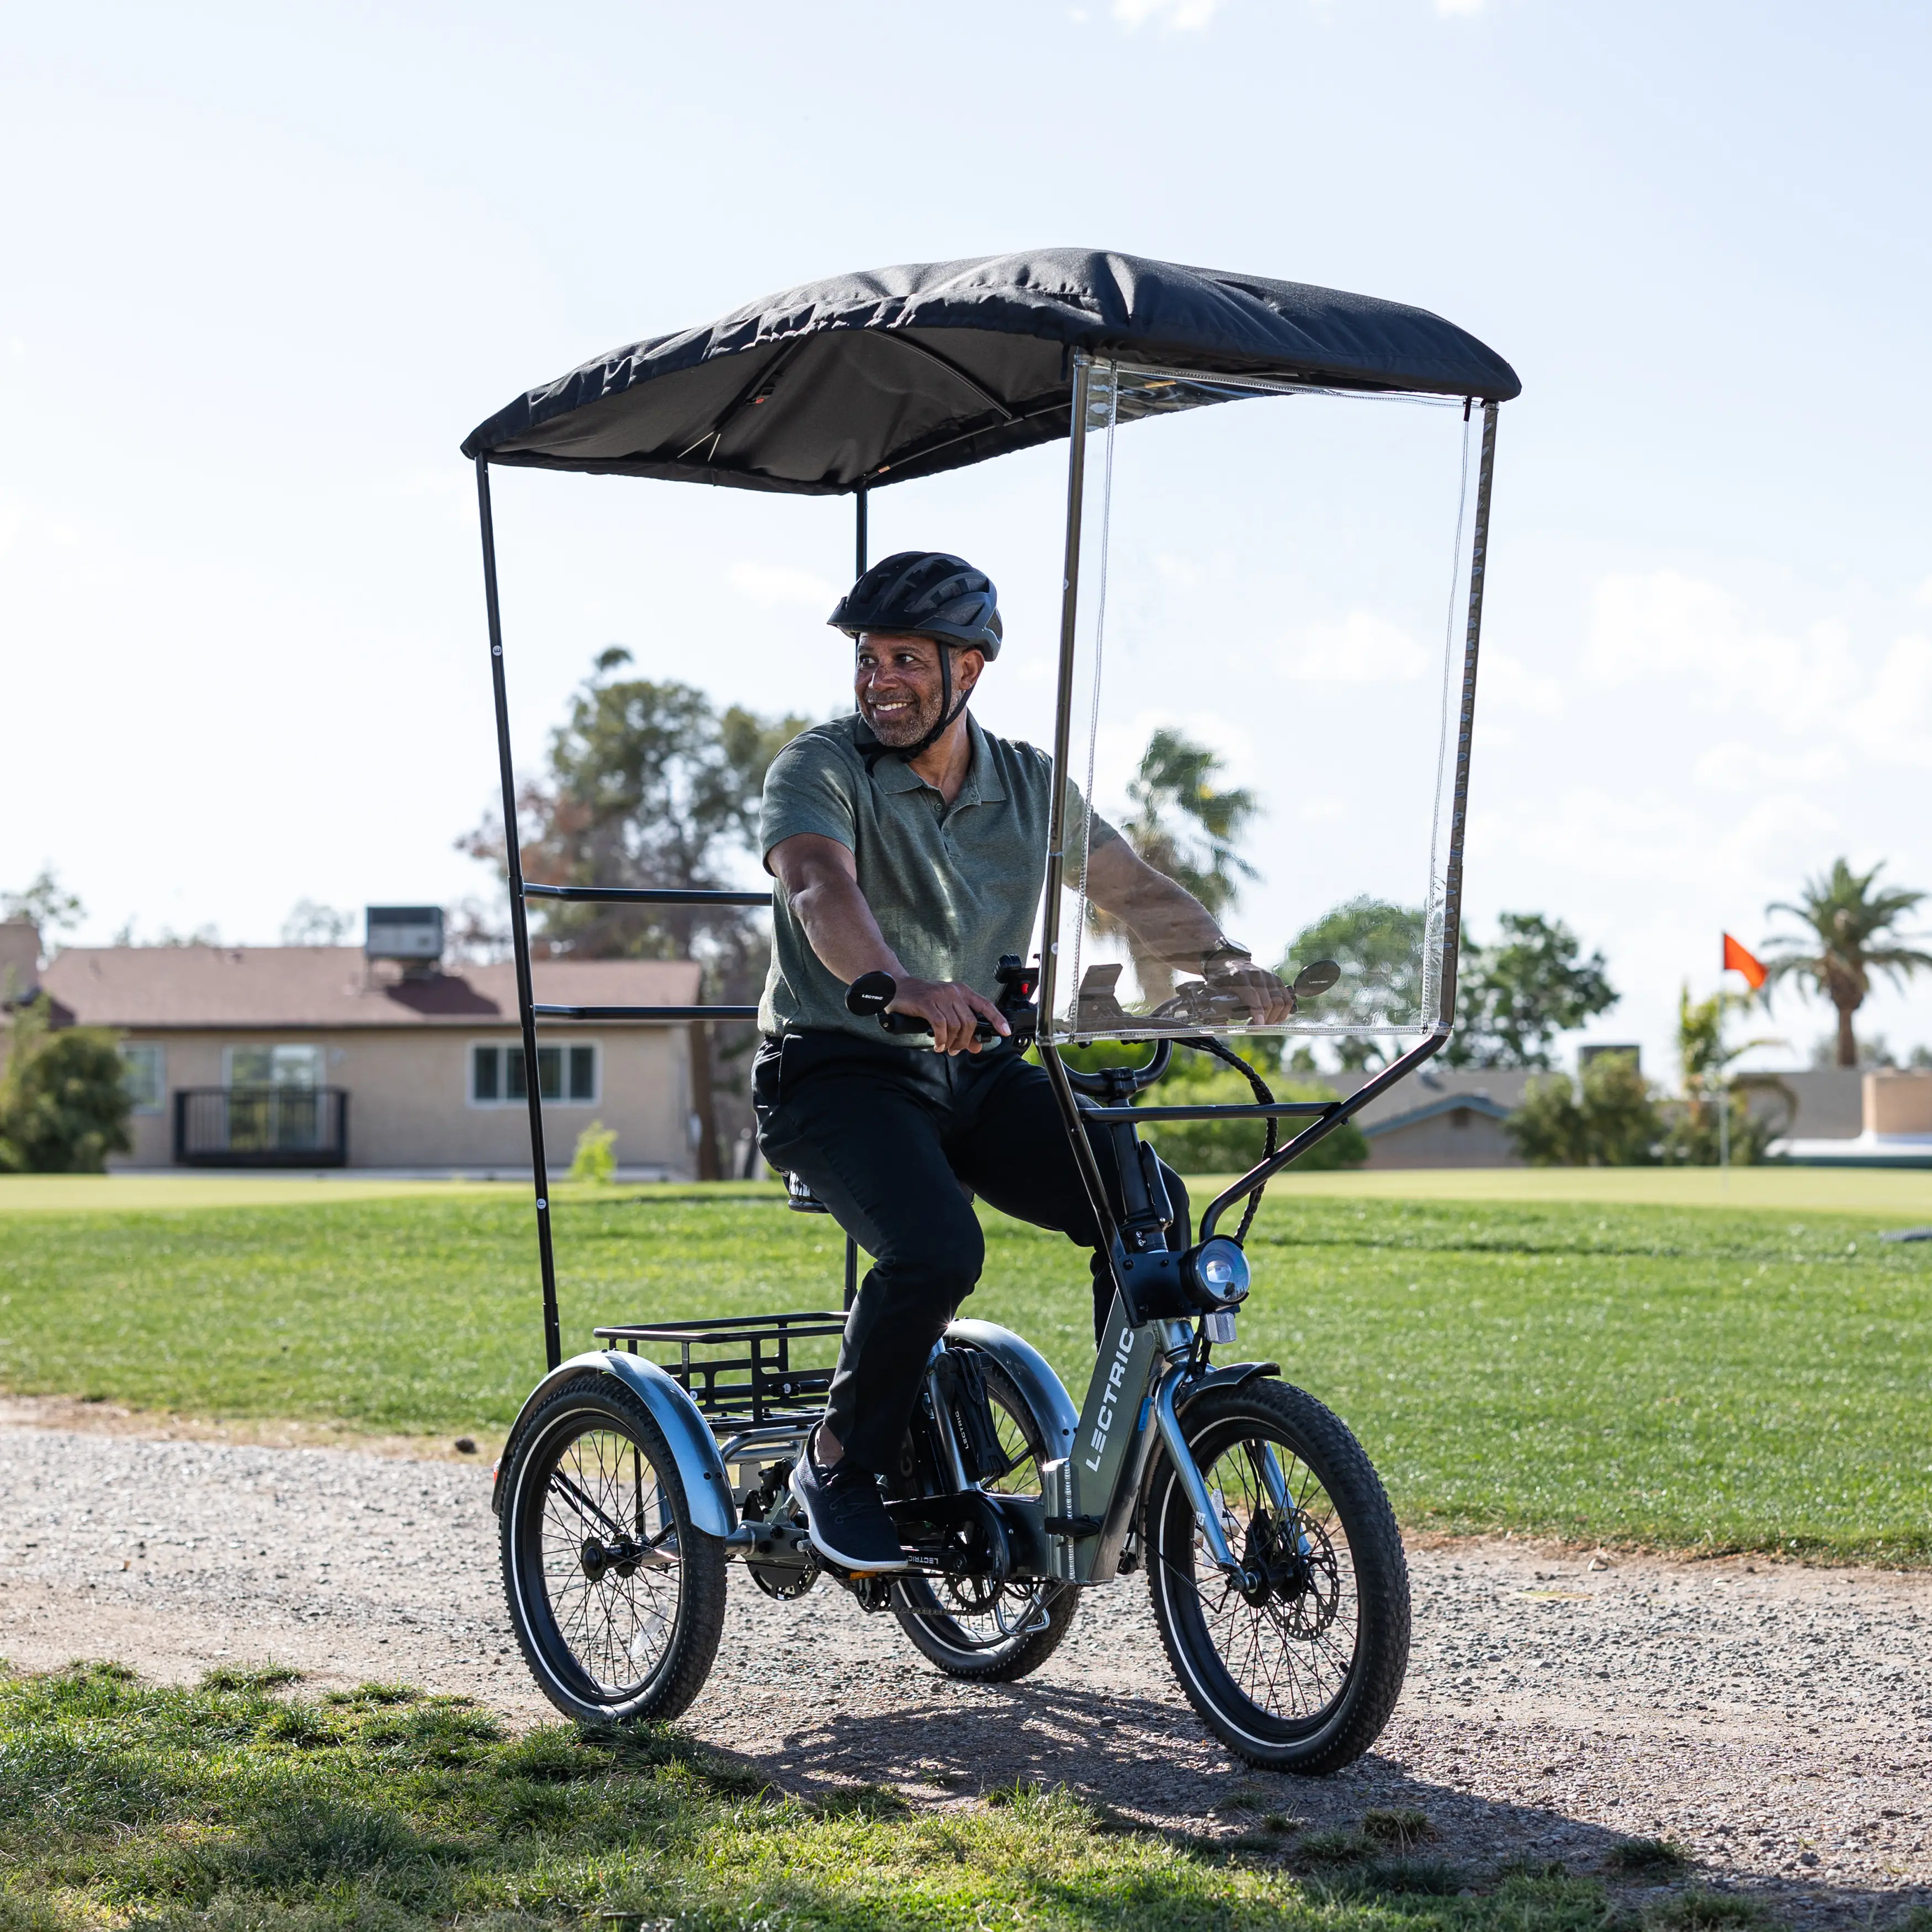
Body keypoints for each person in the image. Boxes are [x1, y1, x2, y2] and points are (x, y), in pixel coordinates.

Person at [753, 550, 1291, 1573]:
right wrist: (897, 983)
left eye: (904, 659)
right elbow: (820, 888)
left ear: (970, 669)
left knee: (1145, 1199)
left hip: (979, 1067)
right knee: (937, 1251)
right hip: (835, 1069)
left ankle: (1141, 1451)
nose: (878, 681)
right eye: (868, 659)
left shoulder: (1029, 784)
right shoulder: (818, 767)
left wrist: (1229, 966)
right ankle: (838, 1461)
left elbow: (1130, 887)